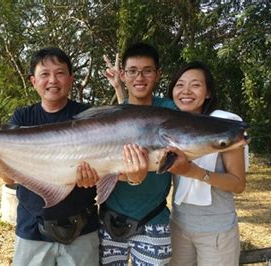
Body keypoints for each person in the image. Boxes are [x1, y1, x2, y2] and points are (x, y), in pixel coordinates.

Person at [0, 47, 99, 266]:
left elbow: (104, 167)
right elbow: (9, 180)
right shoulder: (22, 117)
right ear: (33, 81)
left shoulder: (90, 117)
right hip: (32, 228)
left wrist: (94, 177)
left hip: (82, 230)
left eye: (60, 73)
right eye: (44, 74)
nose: (52, 80)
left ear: (71, 78)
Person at [82, 42, 176, 265]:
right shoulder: (111, 115)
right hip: (110, 217)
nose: (140, 77)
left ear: (158, 74)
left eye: (147, 71)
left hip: (154, 218)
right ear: (123, 75)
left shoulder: (170, 112)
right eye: (133, 71)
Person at [164, 61, 247, 266]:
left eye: (195, 85)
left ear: (208, 92)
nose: (186, 91)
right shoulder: (171, 125)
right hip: (179, 225)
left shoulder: (224, 126)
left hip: (216, 231)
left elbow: (238, 184)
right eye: (180, 84)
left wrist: (194, 171)